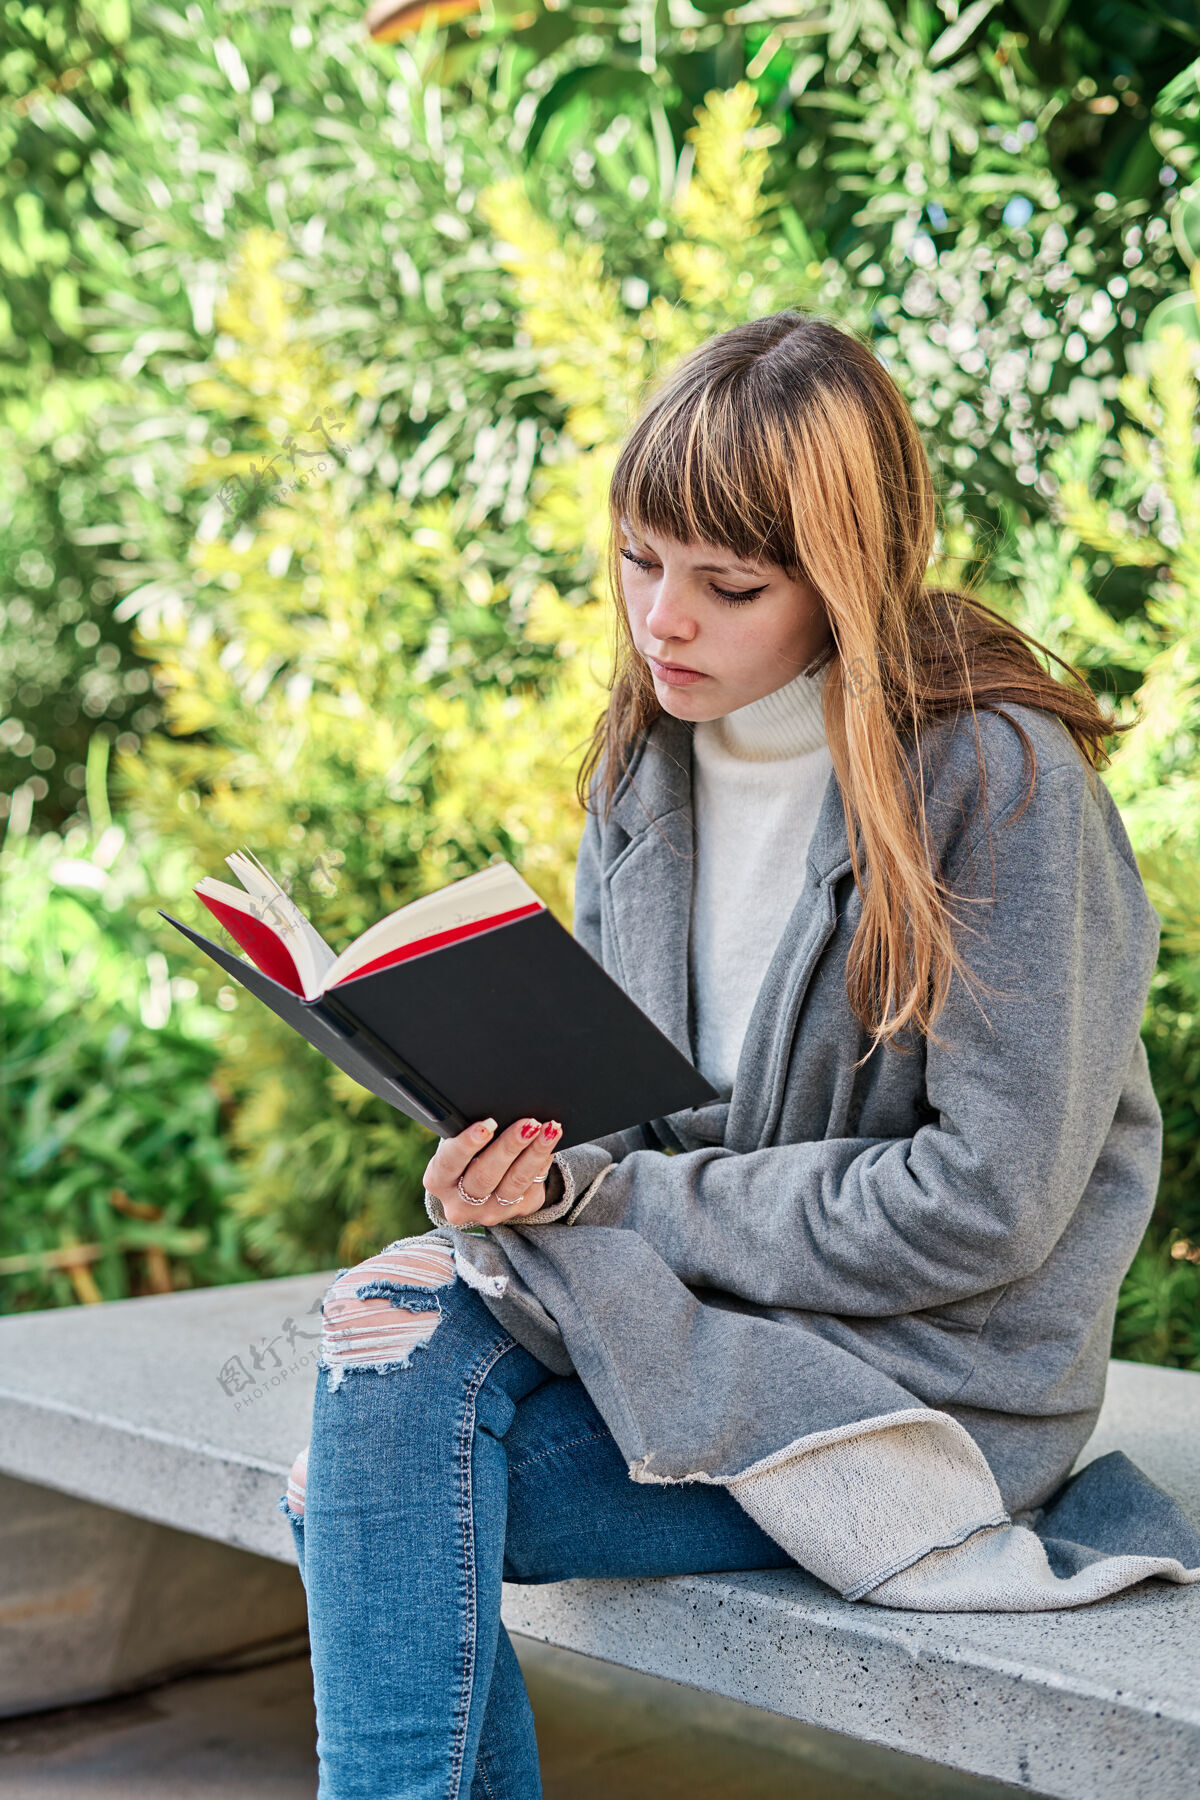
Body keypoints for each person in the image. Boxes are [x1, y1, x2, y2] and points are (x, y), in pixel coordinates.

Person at [281, 313, 1199, 1799]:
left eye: (730, 585)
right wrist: (521, 1176)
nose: (666, 622)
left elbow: (990, 1201)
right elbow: (629, 1148)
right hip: (694, 1333)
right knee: (386, 1357)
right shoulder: (644, 766)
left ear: (842, 580)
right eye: (642, 560)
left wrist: (617, 1209)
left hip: (914, 1395)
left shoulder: (999, 786)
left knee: (367, 1491)